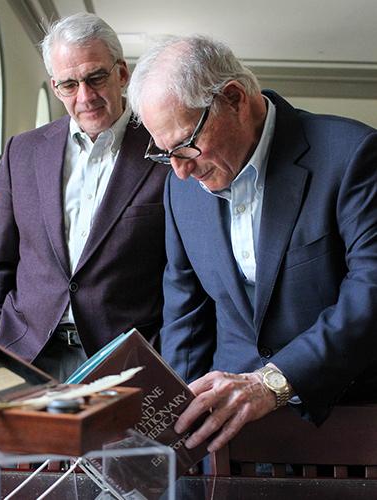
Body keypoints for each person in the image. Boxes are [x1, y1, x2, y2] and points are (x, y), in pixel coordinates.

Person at [127, 35, 377, 454]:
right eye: (164, 153)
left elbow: (370, 290)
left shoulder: (352, 154)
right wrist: (180, 435)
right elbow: (186, 314)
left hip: (345, 426)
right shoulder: (179, 190)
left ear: (234, 98)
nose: (181, 171)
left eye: (186, 144)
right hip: (231, 436)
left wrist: (273, 381)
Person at [0, 13, 169, 381]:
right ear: (55, 86)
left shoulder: (162, 149)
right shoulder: (23, 151)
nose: (85, 96)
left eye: (96, 77)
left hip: (124, 360)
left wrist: (163, 352)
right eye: (69, 84)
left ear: (122, 74)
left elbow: (181, 272)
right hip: (26, 353)